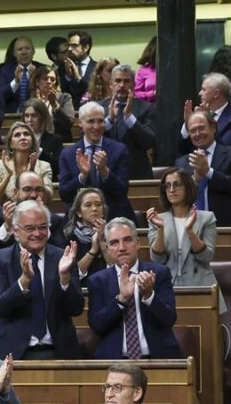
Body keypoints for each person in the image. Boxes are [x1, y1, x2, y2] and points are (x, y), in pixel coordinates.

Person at [0, 201, 82, 360]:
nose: (37, 233)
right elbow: (0, 307)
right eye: (30, 228)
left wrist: (65, 278)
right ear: (16, 231)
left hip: (60, 351)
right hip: (14, 353)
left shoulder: (63, 257)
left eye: (42, 227)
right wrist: (23, 281)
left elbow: (76, 308)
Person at [86, 217, 184, 359]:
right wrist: (121, 300)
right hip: (115, 362)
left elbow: (169, 319)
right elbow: (97, 326)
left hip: (157, 358)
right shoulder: (98, 281)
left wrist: (149, 295)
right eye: (114, 242)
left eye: (127, 240)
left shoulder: (159, 273)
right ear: (107, 248)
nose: (122, 248)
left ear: (138, 243)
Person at [146, 167, 224, 312]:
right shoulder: (157, 219)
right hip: (168, 287)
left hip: (202, 287)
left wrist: (190, 231)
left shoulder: (206, 218)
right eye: (167, 186)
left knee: (206, 333)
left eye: (177, 184)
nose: (171, 189)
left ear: (187, 187)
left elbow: (206, 256)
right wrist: (161, 230)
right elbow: (157, 259)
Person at [58, 101, 135, 222]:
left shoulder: (119, 150)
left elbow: (122, 191)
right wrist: (82, 176)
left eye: (100, 121)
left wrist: (105, 172)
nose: (96, 126)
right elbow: (65, 195)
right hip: (79, 222)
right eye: (91, 121)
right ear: (80, 123)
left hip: (114, 218)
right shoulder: (68, 154)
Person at [0, 171, 68, 257]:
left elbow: (62, 255)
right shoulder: (0, 215)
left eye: (39, 190)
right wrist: (7, 226)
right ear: (15, 192)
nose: (34, 195)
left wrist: (44, 227)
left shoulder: (53, 220)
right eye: (27, 189)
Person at [100, 64, 157, 180]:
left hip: (137, 173)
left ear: (134, 85)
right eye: (118, 81)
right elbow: (87, 138)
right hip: (106, 171)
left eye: (127, 81)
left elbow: (150, 141)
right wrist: (109, 120)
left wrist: (129, 118)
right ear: (111, 84)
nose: (122, 85)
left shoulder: (146, 108)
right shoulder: (98, 108)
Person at [175, 110, 231, 226]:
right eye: (193, 131)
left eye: (201, 128)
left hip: (224, 226)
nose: (197, 134)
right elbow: (177, 197)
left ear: (213, 128)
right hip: (192, 228)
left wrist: (208, 172)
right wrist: (194, 181)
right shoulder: (182, 163)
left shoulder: (229, 154)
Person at [0, 121, 52, 208]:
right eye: (17, 135)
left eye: (26, 134)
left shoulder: (44, 166)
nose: (22, 137)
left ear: (32, 142)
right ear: (10, 144)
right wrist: (8, 175)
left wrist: (32, 173)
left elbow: (47, 200)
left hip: (35, 212)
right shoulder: (0, 165)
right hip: (8, 214)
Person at [64, 187, 111, 280]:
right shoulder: (69, 236)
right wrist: (93, 250)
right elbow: (72, 275)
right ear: (78, 212)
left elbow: (117, 268)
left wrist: (102, 242)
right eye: (88, 205)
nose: (94, 209)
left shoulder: (113, 234)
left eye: (98, 204)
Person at [0, 36, 45, 113]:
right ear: (14, 53)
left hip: (37, 114)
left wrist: (35, 81)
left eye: (27, 48)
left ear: (33, 51)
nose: (24, 52)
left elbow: (48, 94)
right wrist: (15, 82)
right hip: (11, 116)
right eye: (20, 49)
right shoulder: (6, 70)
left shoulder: (42, 69)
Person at [29, 65, 75, 142]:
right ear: (37, 82)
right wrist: (39, 106)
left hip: (61, 142)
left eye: (52, 79)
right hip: (38, 143)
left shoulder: (64, 98)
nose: (49, 81)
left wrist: (55, 105)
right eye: (45, 78)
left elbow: (68, 124)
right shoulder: (31, 101)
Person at [22, 98, 63, 180]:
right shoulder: (18, 139)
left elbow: (58, 168)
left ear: (42, 118)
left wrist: (38, 149)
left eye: (34, 116)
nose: (29, 120)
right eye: (26, 116)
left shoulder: (55, 139)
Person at [60, 30, 96, 108]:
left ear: (86, 48)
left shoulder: (98, 68)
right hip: (69, 115)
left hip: (91, 113)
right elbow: (60, 93)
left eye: (74, 45)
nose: (69, 49)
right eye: (68, 45)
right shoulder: (62, 68)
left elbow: (94, 91)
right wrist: (68, 77)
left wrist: (78, 78)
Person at [135, 36, 157, 103]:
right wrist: (152, 94)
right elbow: (136, 93)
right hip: (150, 109)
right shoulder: (144, 70)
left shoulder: (175, 68)